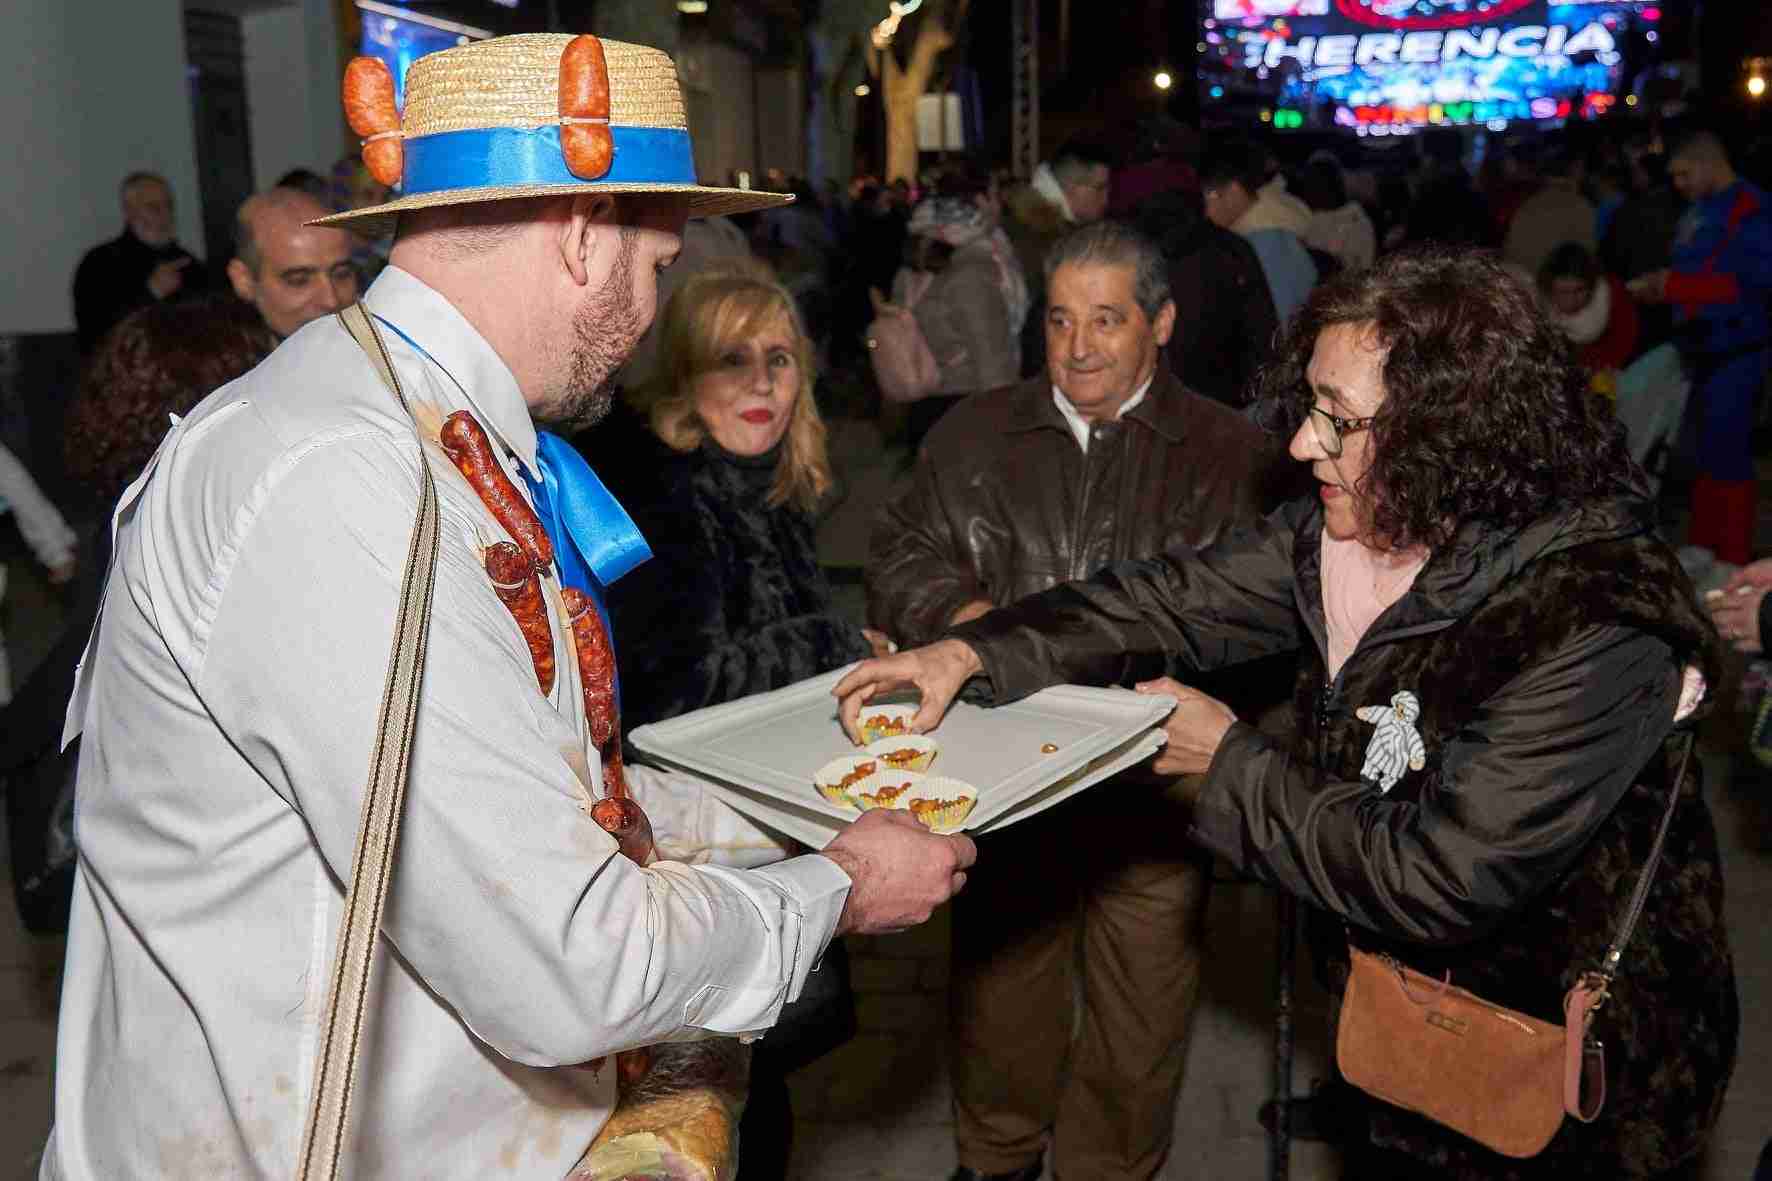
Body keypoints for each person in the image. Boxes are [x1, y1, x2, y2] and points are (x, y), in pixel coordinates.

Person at [45, 34, 974, 1180]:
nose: (647, 317)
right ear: (583, 234)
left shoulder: (412, 425)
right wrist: (836, 887)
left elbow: (532, 781)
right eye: (654, 269)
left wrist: (775, 807)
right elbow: (565, 963)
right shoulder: (344, 478)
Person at [839, 248, 1738, 1181]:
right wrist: (974, 650)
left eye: (1338, 420)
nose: (1304, 444)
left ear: (1453, 430)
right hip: (1405, 1038)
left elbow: (1439, 871)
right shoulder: (1363, 526)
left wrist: (1223, 761)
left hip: (1572, 1081)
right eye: (1310, 408)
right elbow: (1166, 600)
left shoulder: (1597, 615)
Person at [869, 222, 1281, 1181]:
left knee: (1141, 1024)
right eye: (1060, 320)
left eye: (1108, 319)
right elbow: (896, 554)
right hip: (1003, 792)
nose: (1080, 346)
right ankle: (998, 1159)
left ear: (1162, 322)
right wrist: (970, 621)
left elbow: (1262, 624)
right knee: (999, 1005)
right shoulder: (974, 432)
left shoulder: (1231, 455)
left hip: (1153, 804)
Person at [584, 266, 880, 1179]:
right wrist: (839, 641)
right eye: (731, 360)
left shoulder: (760, 484)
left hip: (760, 839)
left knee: (757, 1103)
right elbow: (674, 686)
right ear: (682, 377)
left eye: (780, 360)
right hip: (695, 861)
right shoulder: (668, 499)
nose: (760, 383)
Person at [1629, 130, 1772, 567]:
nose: (1678, 184)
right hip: (1700, 349)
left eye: (1683, 174)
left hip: (1737, 349)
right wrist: (1665, 285)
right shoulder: (1698, 210)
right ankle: (1707, 548)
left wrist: (1673, 286)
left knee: (1727, 455)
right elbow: (1696, 267)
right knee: (1704, 453)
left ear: (1710, 164)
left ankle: (1731, 556)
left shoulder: (1752, 209)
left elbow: (1754, 284)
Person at [890, 182, 1024, 448]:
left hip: (926, 403)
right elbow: (992, 360)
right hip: (966, 406)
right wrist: (1008, 426)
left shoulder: (911, 269)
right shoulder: (972, 274)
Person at [1003, 139, 1112, 375]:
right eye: (1100, 188)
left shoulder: (1038, 228)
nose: (1106, 198)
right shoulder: (1038, 238)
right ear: (1073, 187)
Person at [71, 172, 208, 354]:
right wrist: (151, 293)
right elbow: (96, 333)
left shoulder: (188, 264)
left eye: (169, 206)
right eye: (153, 207)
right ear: (129, 212)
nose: (164, 215)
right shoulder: (99, 264)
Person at [1201, 138, 1318, 325]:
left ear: (1234, 192)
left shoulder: (1263, 242)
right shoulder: (1275, 221)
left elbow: (1279, 322)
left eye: (1209, 196)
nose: (1205, 210)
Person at [225, 186, 361, 339]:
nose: (331, 300)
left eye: (342, 275)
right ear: (244, 281)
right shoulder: (212, 359)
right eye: (299, 281)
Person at [1539, 242, 1641, 378]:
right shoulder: (1540, 307)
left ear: (1592, 287)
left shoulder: (1612, 297)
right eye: (1563, 292)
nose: (1571, 300)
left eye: (1579, 290)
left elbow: (1626, 341)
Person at [1503, 147, 1599, 280]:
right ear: (1575, 169)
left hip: (1526, 288)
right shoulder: (1581, 207)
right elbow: (1587, 258)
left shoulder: (1527, 206)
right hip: (1562, 292)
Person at [1297, 154, 1376, 274]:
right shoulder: (1306, 217)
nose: (1310, 189)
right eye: (1309, 183)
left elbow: (1364, 270)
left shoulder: (1357, 222)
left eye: (1317, 182)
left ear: (1334, 184)